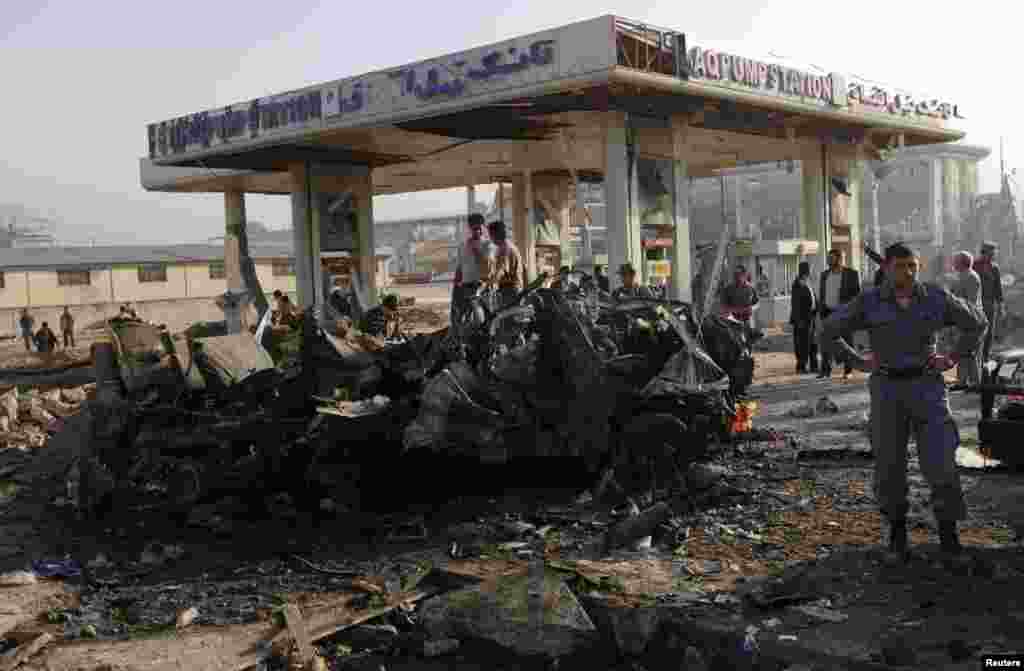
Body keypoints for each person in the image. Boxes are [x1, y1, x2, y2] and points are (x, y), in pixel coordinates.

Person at [821, 242, 987, 562]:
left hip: (928, 387)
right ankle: (897, 537)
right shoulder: (870, 301)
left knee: (941, 461)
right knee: (889, 466)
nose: (908, 272)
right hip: (887, 390)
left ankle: (949, 538)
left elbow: (977, 323)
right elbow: (828, 330)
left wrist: (952, 357)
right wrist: (858, 361)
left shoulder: (935, 297)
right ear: (886, 268)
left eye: (912, 266)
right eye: (900, 266)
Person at [818, 249, 861, 380]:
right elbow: (822, 294)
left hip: (843, 313)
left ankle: (848, 371)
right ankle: (825, 371)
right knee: (826, 342)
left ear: (839, 259)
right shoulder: (824, 275)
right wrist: (821, 311)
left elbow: (857, 295)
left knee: (846, 343)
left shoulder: (852, 274)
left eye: (831, 258)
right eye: (828, 258)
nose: (828, 261)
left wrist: (852, 312)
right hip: (827, 312)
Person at [452, 214, 494, 324]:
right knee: (463, 317)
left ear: (483, 227)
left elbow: (488, 266)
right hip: (466, 286)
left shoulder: (487, 245)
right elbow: (460, 267)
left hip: (482, 286)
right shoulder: (462, 245)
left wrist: (476, 250)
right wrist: (456, 285)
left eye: (479, 228)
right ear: (469, 228)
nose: (477, 232)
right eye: (474, 229)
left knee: (485, 318)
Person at [951, 251, 984, 386]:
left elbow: (971, 301)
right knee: (966, 352)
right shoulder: (963, 276)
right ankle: (966, 381)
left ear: (962, 263)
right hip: (966, 319)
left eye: (955, 261)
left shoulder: (970, 277)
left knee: (967, 351)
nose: (953, 263)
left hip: (972, 320)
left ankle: (972, 382)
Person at [974, 242, 1003, 364]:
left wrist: (1000, 305)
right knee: (978, 331)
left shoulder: (994, 268)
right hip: (976, 304)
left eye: (993, 254)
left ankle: (985, 357)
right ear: (984, 253)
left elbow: (998, 288)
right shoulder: (974, 265)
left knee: (989, 332)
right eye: (991, 254)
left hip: (990, 304)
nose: (993, 256)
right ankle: (977, 356)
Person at [789, 262, 817, 374]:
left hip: (811, 317)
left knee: (812, 343)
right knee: (802, 344)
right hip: (802, 319)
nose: (809, 272)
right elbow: (795, 304)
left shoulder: (807, 282)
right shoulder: (797, 284)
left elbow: (813, 298)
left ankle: (814, 366)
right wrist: (799, 320)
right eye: (808, 270)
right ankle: (801, 366)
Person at [488, 220, 524, 307]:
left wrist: (489, 283)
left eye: (490, 234)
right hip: (510, 288)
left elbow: (501, 270)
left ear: (495, 234)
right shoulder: (504, 246)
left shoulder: (505, 248)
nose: (490, 238)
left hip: (510, 289)